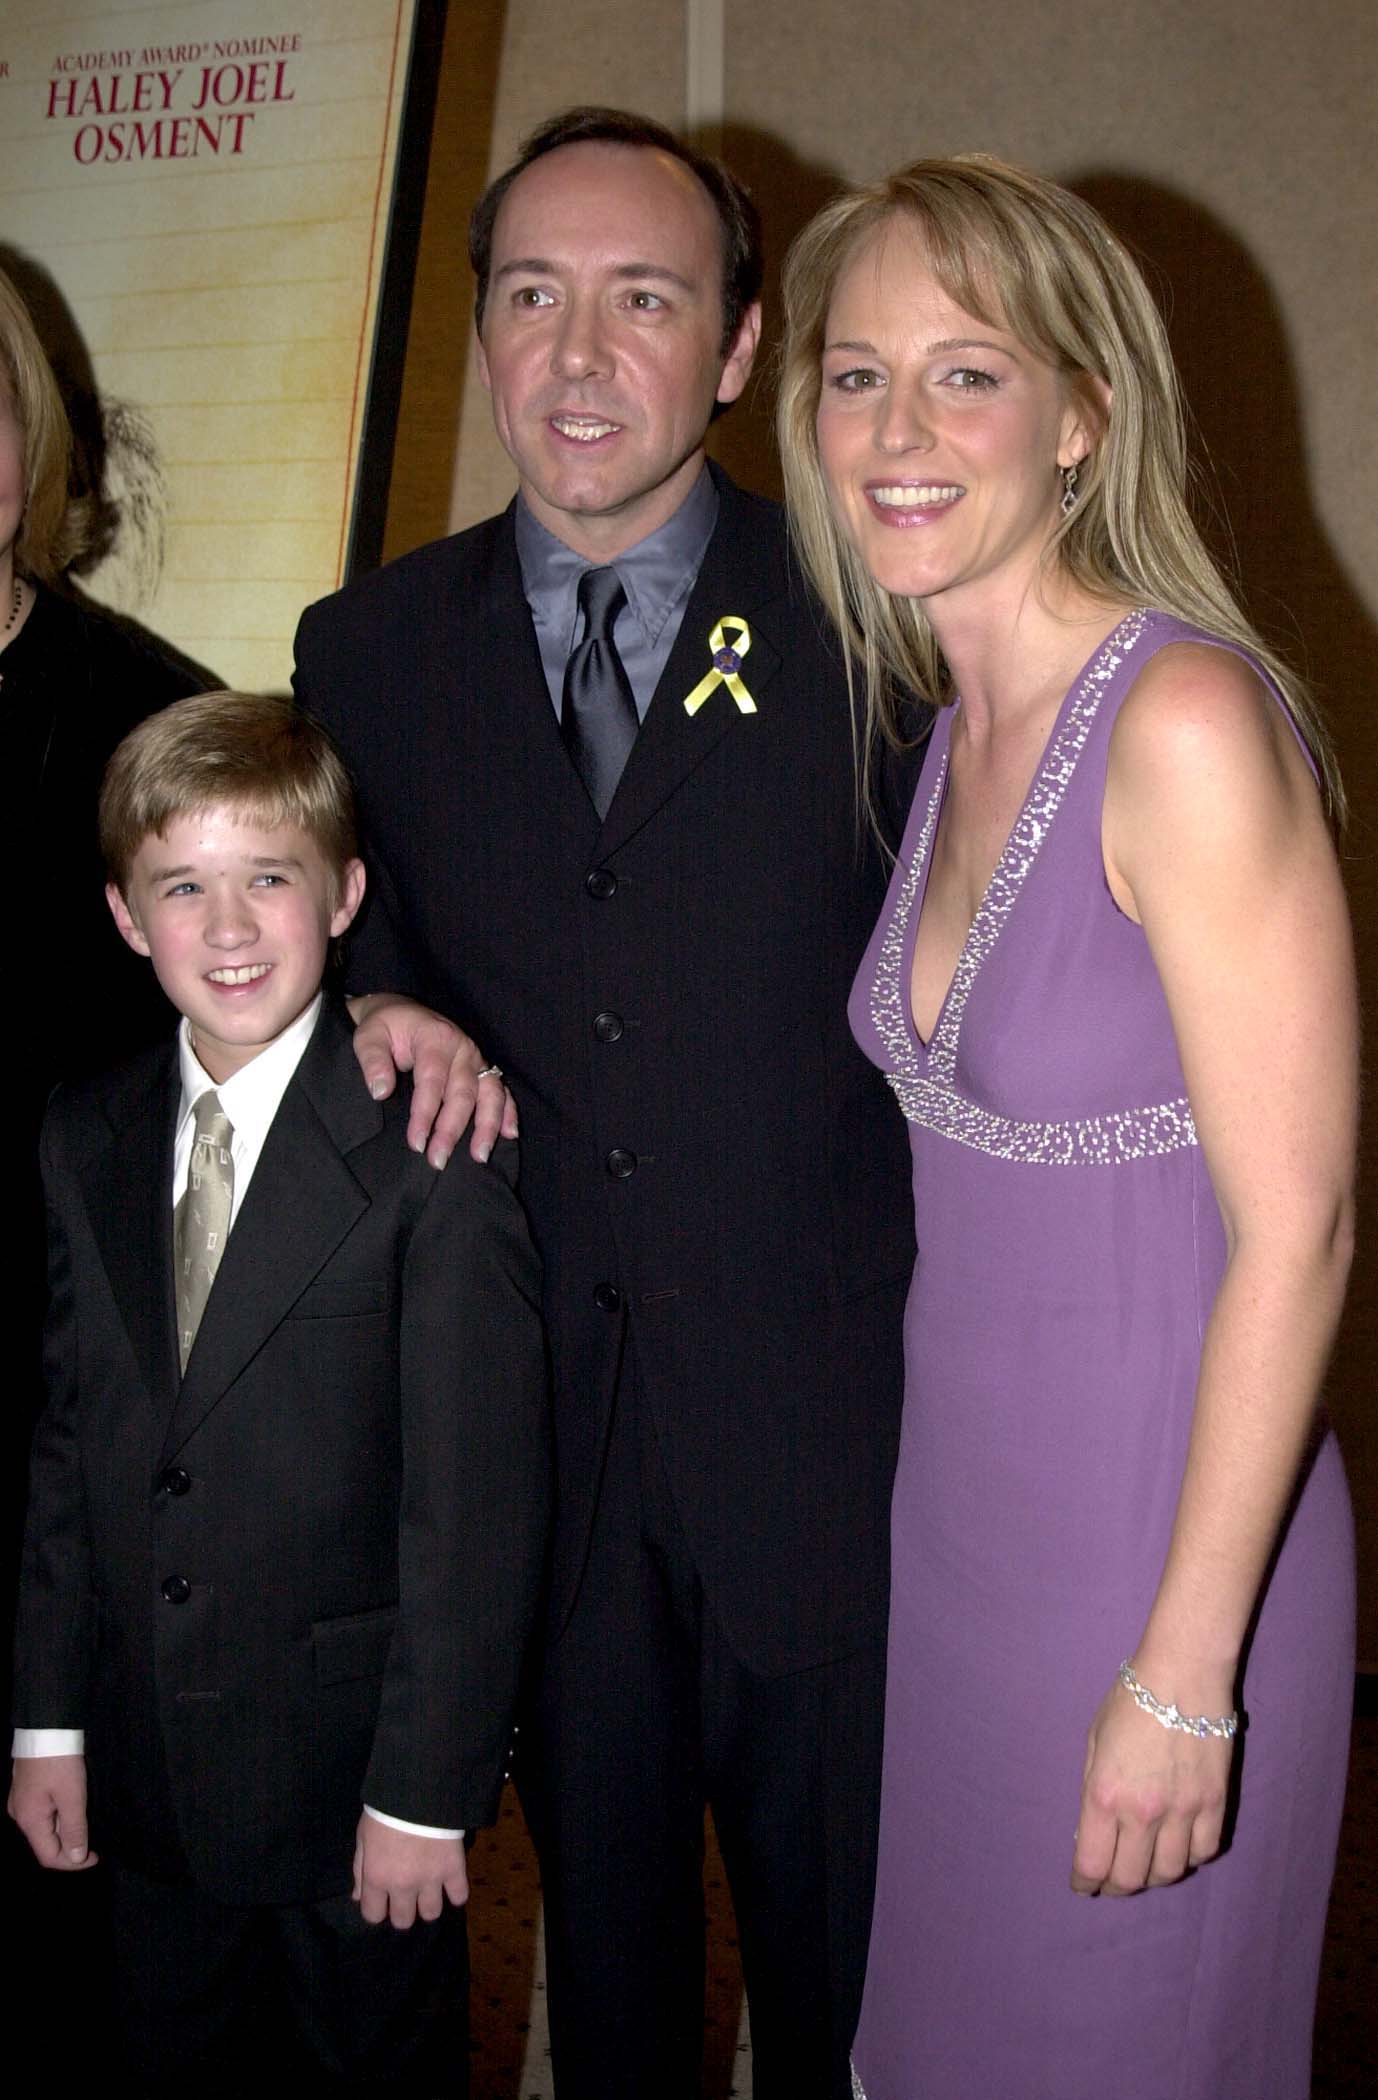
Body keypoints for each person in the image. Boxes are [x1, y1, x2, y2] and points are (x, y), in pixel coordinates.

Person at [294, 107, 917, 2100]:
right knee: (607, 1976)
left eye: (642, 300)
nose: (578, 358)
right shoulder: (366, 649)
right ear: (480, 333)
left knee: (845, 1979)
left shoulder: (877, 628)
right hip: (534, 1452)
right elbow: (330, 939)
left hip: (829, 1447)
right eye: (533, 299)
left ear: (738, 350)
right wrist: (380, 1002)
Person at [777, 154, 1357, 2098]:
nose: (896, 431)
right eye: (854, 377)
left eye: (965, 373)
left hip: (1155, 1574)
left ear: (1082, 413)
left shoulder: (1179, 723)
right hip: (958, 1566)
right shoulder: (943, 728)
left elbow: (1300, 1235)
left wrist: (1182, 1678)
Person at [8, 692, 549, 2093]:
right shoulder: (87, 1131)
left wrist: (426, 1797)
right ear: (128, 916)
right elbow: (69, 1450)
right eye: (183, 887)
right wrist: (48, 1722)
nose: (231, 928)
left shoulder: (434, 1153)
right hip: (141, 1780)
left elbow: (472, 1515)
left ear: (345, 895)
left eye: (270, 879)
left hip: (347, 1797)